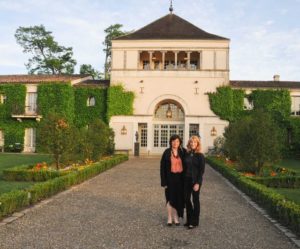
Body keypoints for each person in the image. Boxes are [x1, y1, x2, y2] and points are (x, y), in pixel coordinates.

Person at [160, 134, 185, 226]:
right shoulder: (166, 152)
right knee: (169, 198)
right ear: (171, 142)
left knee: (177, 198)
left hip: (180, 179)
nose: (175, 143)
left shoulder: (182, 152)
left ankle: (176, 217)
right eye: (173, 141)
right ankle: (169, 217)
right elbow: (162, 168)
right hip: (169, 178)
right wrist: (163, 181)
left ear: (180, 143)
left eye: (177, 141)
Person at [184, 135, 205, 229]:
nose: (193, 144)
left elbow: (201, 171)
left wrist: (198, 183)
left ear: (197, 144)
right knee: (186, 199)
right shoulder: (187, 154)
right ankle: (189, 220)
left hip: (195, 181)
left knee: (195, 200)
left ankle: (194, 221)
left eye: (195, 142)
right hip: (186, 180)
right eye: (191, 142)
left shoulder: (200, 156)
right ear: (189, 143)